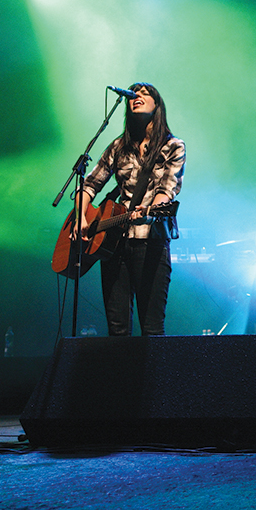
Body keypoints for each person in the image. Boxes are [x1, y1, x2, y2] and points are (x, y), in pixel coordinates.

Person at [79, 83, 185, 336]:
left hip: (151, 241)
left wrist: (149, 212)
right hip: (114, 244)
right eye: (133, 94)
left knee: (152, 328)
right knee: (117, 329)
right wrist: (80, 217)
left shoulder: (173, 146)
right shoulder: (118, 147)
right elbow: (90, 184)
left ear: (157, 106)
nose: (137, 96)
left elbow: (167, 190)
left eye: (145, 93)